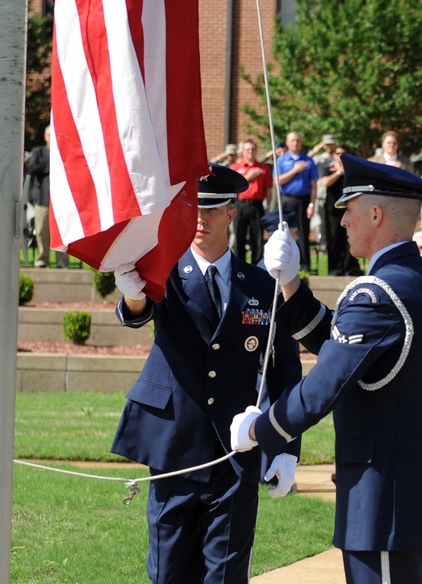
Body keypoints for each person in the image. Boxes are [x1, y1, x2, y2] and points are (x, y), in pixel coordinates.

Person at [231, 154, 422, 584]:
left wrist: (260, 429)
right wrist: (291, 283)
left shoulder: (376, 292)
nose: (343, 222)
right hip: (398, 484)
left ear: (376, 214)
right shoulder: (416, 279)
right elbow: (347, 346)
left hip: (382, 490)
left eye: (349, 210)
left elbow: (324, 386)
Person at [110, 164, 302, 584]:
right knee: (168, 572)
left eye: (212, 209)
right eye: (194, 209)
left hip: (236, 449)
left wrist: (287, 445)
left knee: (227, 573)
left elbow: (284, 368)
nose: (201, 219)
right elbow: (139, 312)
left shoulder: (261, 283)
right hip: (174, 443)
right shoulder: (164, 274)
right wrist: (133, 295)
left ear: (232, 213)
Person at [276, 131, 319, 273]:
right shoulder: (281, 161)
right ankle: (285, 264)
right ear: (287, 143)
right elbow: (278, 181)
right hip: (287, 200)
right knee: (285, 232)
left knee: (303, 232)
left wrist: (311, 205)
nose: (295, 143)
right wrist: (295, 170)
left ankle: (305, 266)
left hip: (303, 201)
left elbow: (314, 185)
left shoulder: (308, 160)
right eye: (292, 140)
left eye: (298, 140)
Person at [319, 143, 361, 276]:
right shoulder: (328, 168)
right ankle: (335, 269)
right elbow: (325, 182)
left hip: (350, 209)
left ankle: (349, 268)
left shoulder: (353, 171)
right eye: (338, 153)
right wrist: (339, 172)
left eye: (344, 154)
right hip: (333, 210)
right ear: (333, 155)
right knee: (333, 239)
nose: (340, 156)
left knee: (349, 238)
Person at [230, 139, 272, 264]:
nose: (250, 152)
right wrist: (248, 177)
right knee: (239, 237)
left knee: (257, 237)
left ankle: (257, 266)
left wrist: (267, 206)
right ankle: (239, 265)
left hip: (256, 205)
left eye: (253, 149)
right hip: (240, 205)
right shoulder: (235, 167)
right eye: (247, 149)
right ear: (242, 152)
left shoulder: (263, 168)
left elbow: (268, 189)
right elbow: (232, 187)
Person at [26, 125, 53, 267]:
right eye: (50, 135)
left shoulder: (61, 151)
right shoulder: (39, 151)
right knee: (41, 231)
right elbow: (31, 168)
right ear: (45, 137)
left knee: (61, 232)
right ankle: (42, 259)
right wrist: (48, 167)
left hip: (58, 202)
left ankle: (62, 262)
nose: (53, 138)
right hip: (42, 198)